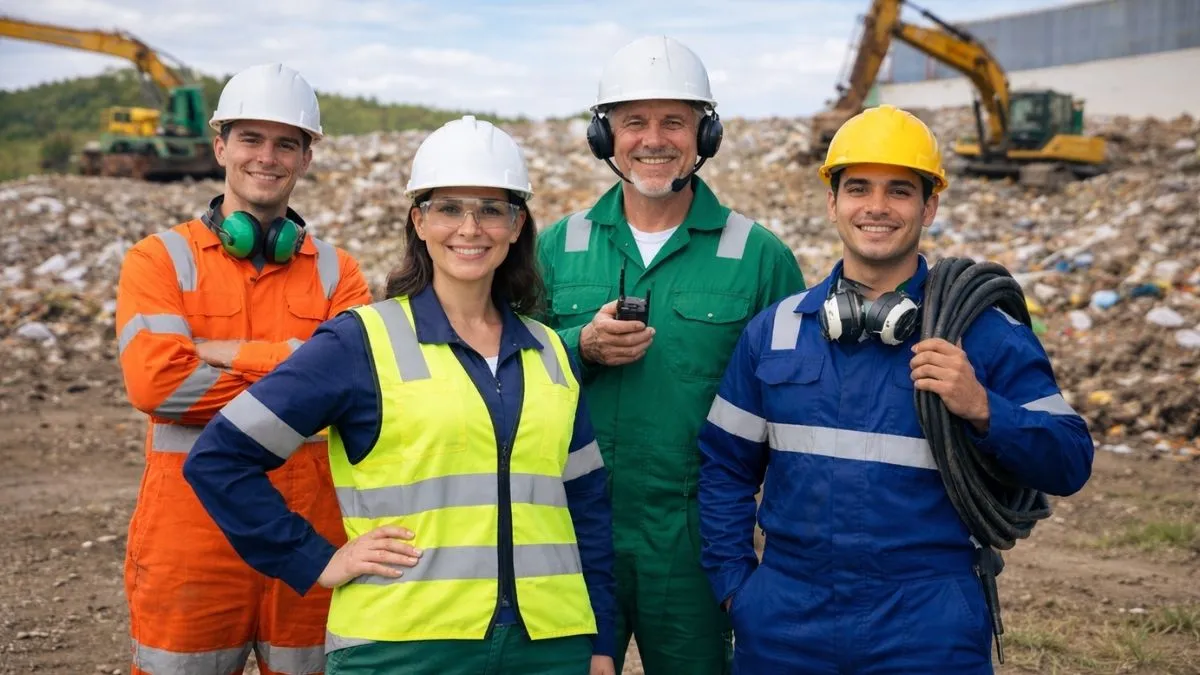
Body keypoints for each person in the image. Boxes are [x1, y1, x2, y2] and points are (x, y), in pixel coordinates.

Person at [182, 115, 618, 675]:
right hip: (401, 649)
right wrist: (316, 559)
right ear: (418, 221)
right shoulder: (360, 341)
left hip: (549, 647)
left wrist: (601, 638)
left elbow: (585, 507)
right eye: (449, 208)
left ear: (517, 226)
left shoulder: (551, 353)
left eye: (491, 209)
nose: (470, 227)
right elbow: (221, 459)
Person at [696, 104, 1095, 674]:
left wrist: (983, 409)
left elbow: (1069, 461)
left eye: (900, 191)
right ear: (832, 202)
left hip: (927, 623)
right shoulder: (776, 330)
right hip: (786, 618)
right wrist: (738, 587)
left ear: (929, 205)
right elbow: (724, 466)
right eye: (858, 188)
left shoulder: (982, 334)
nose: (877, 207)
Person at [536, 35, 806, 674]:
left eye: (673, 122)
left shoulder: (760, 256)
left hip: (693, 536)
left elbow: (795, 404)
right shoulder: (557, 246)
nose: (652, 139)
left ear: (703, 135)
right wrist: (582, 345)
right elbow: (503, 368)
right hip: (572, 526)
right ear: (605, 136)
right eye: (633, 122)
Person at [113, 62, 370, 675]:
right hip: (191, 540)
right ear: (220, 145)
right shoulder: (158, 260)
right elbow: (161, 385)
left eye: (287, 142)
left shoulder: (341, 272)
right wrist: (298, 371)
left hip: (311, 538)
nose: (268, 156)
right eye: (251, 139)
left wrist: (226, 353)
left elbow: (353, 392)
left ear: (306, 157)